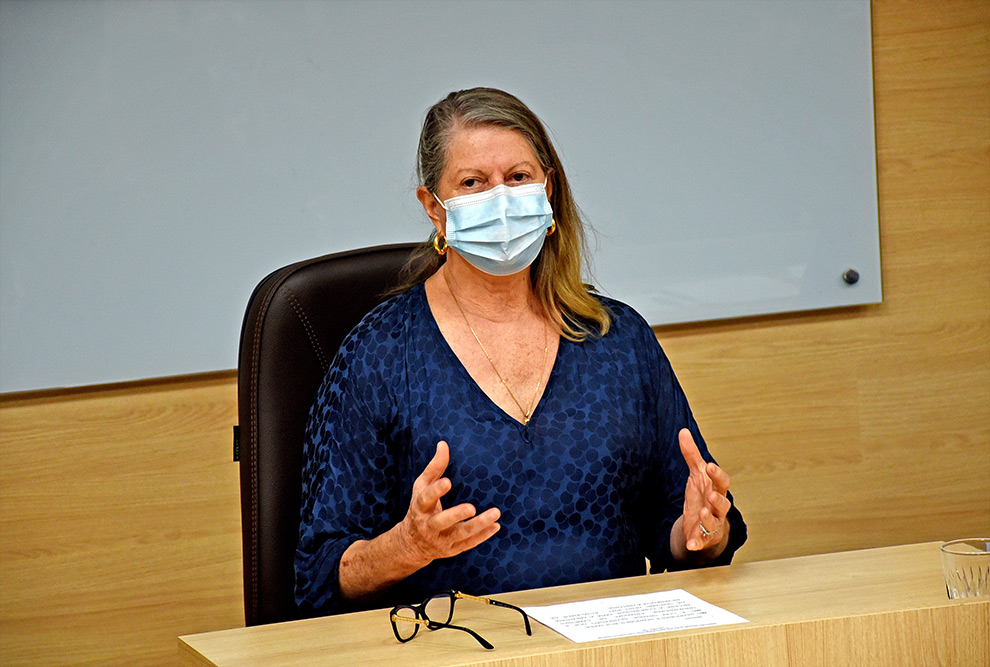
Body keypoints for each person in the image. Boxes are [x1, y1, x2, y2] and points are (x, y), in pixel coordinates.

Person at [295, 87, 746, 616]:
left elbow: (677, 524)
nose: (501, 200)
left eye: (518, 177)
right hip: (453, 651)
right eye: (473, 183)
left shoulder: (617, 338)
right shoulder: (379, 355)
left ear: (547, 190)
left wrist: (703, 532)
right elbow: (317, 577)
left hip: (608, 645)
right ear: (433, 210)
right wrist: (406, 548)